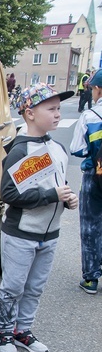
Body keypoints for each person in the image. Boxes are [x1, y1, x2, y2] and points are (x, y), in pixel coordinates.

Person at [0, 83, 77, 352]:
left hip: (50, 234)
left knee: (35, 287)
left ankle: (23, 331)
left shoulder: (57, 148)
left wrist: (67, 198)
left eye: (59, 109)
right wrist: (51, 194)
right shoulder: (20, 151)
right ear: (29, 113)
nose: (57, 114)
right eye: (51, 109)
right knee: (13, 287)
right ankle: (5, 333)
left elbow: (58, 183)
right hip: (21, 234)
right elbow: (8, 194)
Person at [70, 70, 102, 294]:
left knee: (91, 225)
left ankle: (90, 279)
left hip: (95, 176)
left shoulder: (91, 116)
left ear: (98, 89)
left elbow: (77, 149)